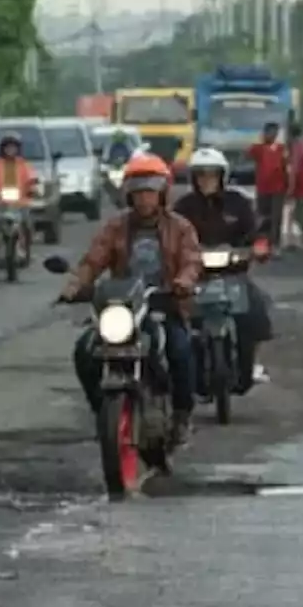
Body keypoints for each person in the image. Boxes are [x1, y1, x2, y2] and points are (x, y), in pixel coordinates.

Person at [59, 153, 203, 442]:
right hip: (123, 306)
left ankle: (182, 415)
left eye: (150, 190)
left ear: (162, 192)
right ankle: (102, 411)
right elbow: (93, 261)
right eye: (138, 191)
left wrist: (182, 282)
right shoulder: (115, 227)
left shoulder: (180, 227)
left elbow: (192, 261)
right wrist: (76, 285)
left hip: (164, 303)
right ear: (128, 194)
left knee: (181, 351)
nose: (144, 198)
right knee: (84, 351)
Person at [171, 147, 275, 393]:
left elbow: (256, 230)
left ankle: (250, 364)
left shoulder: (238, 203)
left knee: (256, 309)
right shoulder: (183, 208)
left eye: (212, 174)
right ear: (193, 178)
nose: (207, 180)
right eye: (201, 175)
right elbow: (170, 236)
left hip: (233, 275)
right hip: (195, 277)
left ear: (222, 176)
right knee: (175, 320)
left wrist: (260, 245)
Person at [0, 131, 37, 251]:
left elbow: (32, 178)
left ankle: (27, 247)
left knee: (27, 224)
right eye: (8, 148)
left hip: (20, 202)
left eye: (13, 147)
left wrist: (33, 188)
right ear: (3, 149)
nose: (10, 150)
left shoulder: (24, 165)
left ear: (18, 149)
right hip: (0, 203)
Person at [247, 121, 290, 250]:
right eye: (269, 132)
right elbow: (249, 153)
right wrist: (261, 140)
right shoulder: (259, 149)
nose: (272, 135)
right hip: (263, 188)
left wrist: (288, 187)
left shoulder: (282, 149)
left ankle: (275, 244)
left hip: (278, 189)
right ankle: (262, 244)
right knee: (262, 217)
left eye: (274, 132)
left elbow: (286, 167)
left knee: (276, 218)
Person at [286, 123, 303, 248]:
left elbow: (294, 168)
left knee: (296, 212)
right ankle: (294, 238)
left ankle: (298, 238)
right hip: (302, 183)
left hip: (299, 184)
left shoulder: (297, 146)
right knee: (295, 212)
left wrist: (290, 186)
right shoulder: (302, 145)